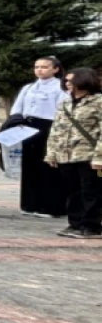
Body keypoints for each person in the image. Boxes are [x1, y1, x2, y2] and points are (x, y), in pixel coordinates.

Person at [45, 67, 102, 238]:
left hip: (88, 155)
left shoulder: (98, 102)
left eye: (71, 80)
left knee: (91, 191)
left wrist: (99, 157)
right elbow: (56, 130)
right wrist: (52, 153)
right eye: (66, 80)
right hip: (66, 154)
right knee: (72, 191)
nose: (67, 83)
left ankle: (92, 226)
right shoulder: (65, 103)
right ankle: (75, 223)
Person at [11, 57, 69, 218]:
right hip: (27, 126)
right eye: (37, 67)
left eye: (44, 67)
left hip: (49, 127)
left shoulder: (60, 88)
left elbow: (62, 110)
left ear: (55, 69)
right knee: (29, 166)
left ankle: (50, 206)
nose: (40, 70)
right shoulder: (29, 87)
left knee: (48, 167)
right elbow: (17, 108)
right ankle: (29, 204)